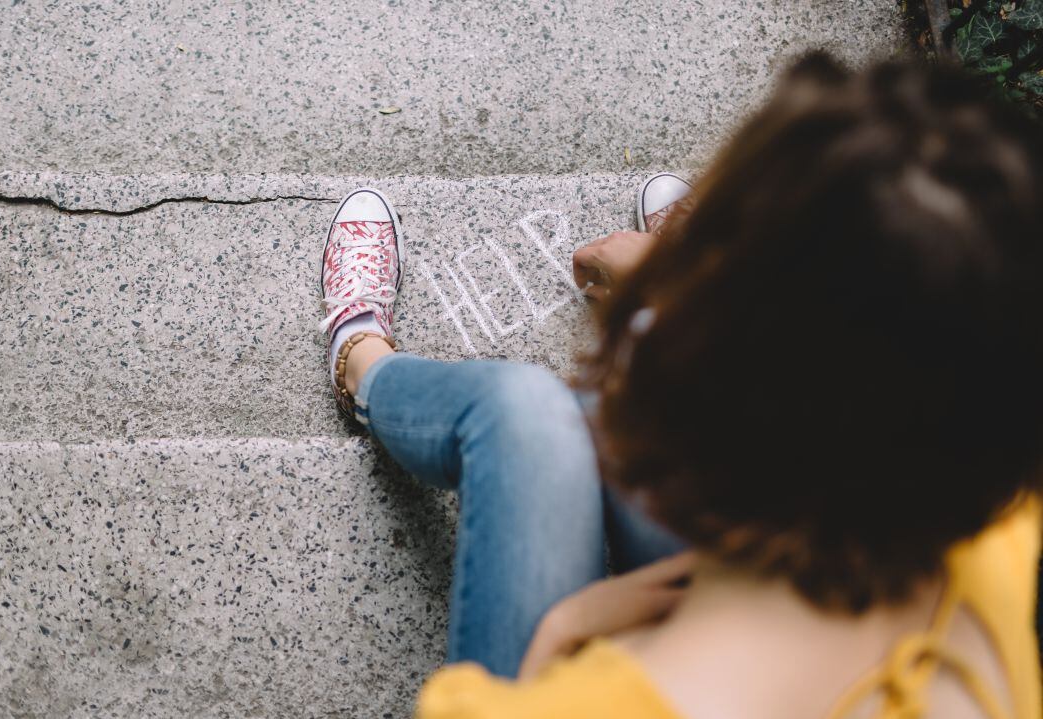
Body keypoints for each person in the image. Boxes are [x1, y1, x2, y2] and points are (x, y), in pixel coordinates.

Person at [319, 53, 1043, 719]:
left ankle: (362, 360)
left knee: (525, 412)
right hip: (795, 577)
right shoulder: (998, 516)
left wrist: (559, 637)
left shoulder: (555, 708)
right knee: (546, 414)